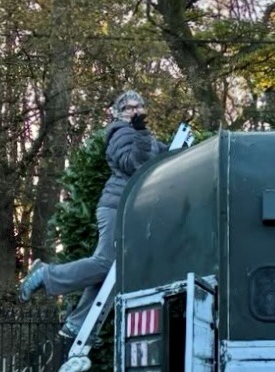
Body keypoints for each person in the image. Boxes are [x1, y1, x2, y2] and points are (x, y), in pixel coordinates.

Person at [18, 90, 168, 340]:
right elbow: (135, 164)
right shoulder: (121, 132)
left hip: (131, 208)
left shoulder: (143, 136)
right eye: (129, 107)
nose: (135, 111)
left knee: (114, 270)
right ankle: (45, 274)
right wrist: (142, 133)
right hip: (117, 207)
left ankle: (77, 323)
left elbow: (161, 154)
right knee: (107, 263)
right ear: (119, 112)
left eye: (139, 106)